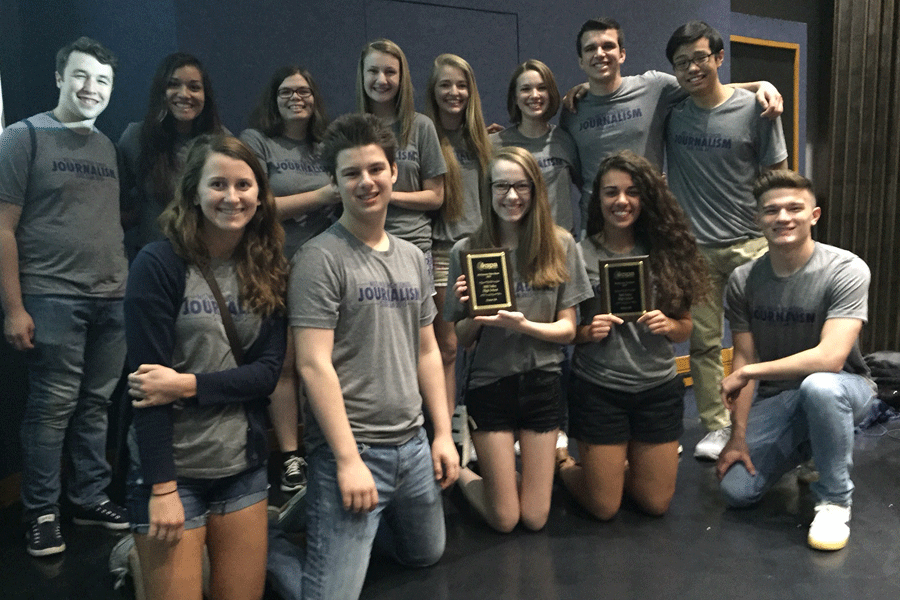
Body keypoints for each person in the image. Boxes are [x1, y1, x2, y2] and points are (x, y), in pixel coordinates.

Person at [278, 113, 458, 600]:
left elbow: (427, 349)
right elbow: (312, 364)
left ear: (394, 172)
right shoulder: (318, 259)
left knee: (426, 554)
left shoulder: (411, 257)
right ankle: (267, 539)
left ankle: (319, 513)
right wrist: (347, 459)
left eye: (376, 169)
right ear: (335, 182)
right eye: (351, 173)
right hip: (354, 449)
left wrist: (442, 433)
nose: (366, 182)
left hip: (413, 446)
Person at [124, 134, 288, 599]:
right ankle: (132, 561)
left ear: (260, 194)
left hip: (241, 465)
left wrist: (185, 385)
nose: (232, 197)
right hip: (172, 470)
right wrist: (161, 489)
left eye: (243, 184)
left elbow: (267, 373)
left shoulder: (269, 265)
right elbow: (146, 390)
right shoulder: (157, 265)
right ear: (194, 190)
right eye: (218, 184)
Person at [0, 36, 130, 557]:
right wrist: (13, 307)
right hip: (51, 296)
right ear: (59, 77)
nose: (90, 88)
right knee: (52, 409)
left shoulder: (107, 146)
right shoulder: (22, 136)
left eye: (102, 80)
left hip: (113, 298)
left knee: (96, 406)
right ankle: (42, 511)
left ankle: (89, 497)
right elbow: (2, 228)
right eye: (80, 76)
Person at [716, 170, 875, 551]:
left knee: (818, 386)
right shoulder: (743, 279)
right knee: (736, 491)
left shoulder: (846, 269)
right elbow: (744, 356)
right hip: (780, 398)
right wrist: (737, 436)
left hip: (845, 387)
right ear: (758, 220)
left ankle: (835, 499)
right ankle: (813, 447)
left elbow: (831, 358)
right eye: (771, 210)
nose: (783, 217)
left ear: (814, 215)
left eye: (794, 208)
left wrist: (750, 371)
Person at [445, 146, 592, 533]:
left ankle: (519, 479)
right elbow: (462, 339)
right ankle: (462, 475)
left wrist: (521, 325)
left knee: (535, 517)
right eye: (501, 186)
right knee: (506, 519)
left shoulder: (560, 245)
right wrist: (475, 315)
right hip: (489, 385)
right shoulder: (467, 250)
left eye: (521, 186)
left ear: (535, 189)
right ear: (488, 191)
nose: (511, 196)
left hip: (543, 383)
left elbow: (568, 331)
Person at [558, 150, 708, 520]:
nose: (621, 201)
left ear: (646, 197)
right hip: (599, 388)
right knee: (604, 507)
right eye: (611, 192)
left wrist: (669, 326)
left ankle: (615, 466)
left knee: (655, 504)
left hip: (657, 389)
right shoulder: (578, 254)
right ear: (598, 198)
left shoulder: (667, 252)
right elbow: (564, 331)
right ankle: (562, 465)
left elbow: (685, 325)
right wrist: (586, 332)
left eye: (632, 192)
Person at [663, 21, 788, 461]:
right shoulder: (673, 107)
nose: (692, 68)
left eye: (701, 57)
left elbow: (778, 179)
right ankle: (716, 425)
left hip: (751, 245)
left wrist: (780, 241)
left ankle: (768, 420)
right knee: (702, 343)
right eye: (682, 62)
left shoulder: (757, 109)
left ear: (718, 58)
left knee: (764, 343)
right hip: (695, 251)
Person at [559, 17, 783, 235]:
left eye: (608, 46)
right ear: (581, 60)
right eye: (590, 49)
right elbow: (577, 174)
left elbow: (703, 86)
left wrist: (760, 85)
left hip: (651, 223)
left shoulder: (655, 87)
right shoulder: (572, 110)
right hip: (598, 226)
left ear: (622, 54)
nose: (600, 53)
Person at [241, 65, 339, 494]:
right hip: (273, 266)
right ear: (273, 98)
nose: (296, 97)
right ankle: (291, 456)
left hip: (326, 269)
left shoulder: (328, 145)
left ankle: (325, 445)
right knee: (282, 364)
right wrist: (320, 197)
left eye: (304, 90)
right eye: (286, 91)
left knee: (323, 362)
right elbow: (255, 207)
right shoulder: (256, 142)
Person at [424, 53, 492, 436]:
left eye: (461, 85)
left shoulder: (484, 140)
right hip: (441, 253)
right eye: (445, 85)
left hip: (483, 254)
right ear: (433, 92)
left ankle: (471, 418)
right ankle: (446, 430)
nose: (454, 92)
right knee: (448, 347)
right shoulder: (425, 137)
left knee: (479, 342)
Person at [119, 52, 225, 260]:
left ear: (206, 95)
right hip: (153, 261)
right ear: (161, 90)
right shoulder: (136, 138)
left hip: (207, 260)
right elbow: (122, 205)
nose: (184, 94)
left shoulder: (221, 141)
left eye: (194, 87)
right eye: (174, 85)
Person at [356, 39, 446, 264]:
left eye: (390, 72)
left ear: (401, 77)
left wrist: (387, 195)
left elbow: (435, 196)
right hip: (363, 244)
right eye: (373, 71)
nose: (381, 80)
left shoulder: (421, 126)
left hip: (413, 244)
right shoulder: (351, 129)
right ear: (363, 76)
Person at [491, 59, 580, 234]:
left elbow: (586, 185)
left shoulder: (565, 139)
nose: (534, 95)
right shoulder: (495, 144)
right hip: (514, 243)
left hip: (559, 244)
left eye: (542, 88)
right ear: (515, 97)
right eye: (525, 89)